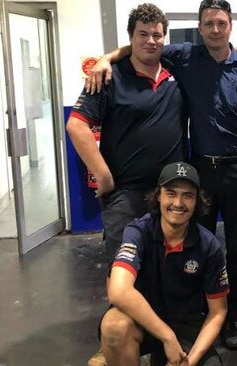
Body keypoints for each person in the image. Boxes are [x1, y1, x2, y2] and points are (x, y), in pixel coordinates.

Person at [88, 0, 237, 350]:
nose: (215, 29)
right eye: (208, 23)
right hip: (201, 169)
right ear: (200, 27)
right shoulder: (186, 57)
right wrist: (105, 58)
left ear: (230, 26)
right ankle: (199, 311)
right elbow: (143, 44)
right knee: (197, 244)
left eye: (221, 23)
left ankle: (230, 316)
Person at [66, 3, 186, 264]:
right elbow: (76, 125)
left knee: (165, 268)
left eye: (156, 35)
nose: (151, 41)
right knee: (124, 271)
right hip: (125, 196)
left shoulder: (176, 71)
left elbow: (217, 50)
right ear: (131, 37)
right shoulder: (109, 77)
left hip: (169, 193)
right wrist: (103, 176)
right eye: (143, 34)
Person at [98, 161, 229, 366]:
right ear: (158, 195)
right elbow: (118, 291)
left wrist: (190, 361)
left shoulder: (208, 245)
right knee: (114, 327)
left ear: (197, 202)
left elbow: (218, 312)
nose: (178, 202)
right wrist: (167, 336)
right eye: (171, 193)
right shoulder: (138, 232)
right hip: (143, 321)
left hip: (186, 325)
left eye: (187, 195)